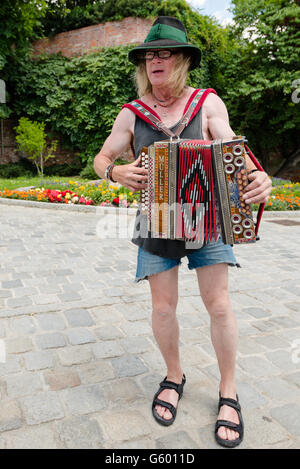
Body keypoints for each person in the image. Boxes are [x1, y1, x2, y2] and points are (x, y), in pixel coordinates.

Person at [93, 16, 272, 448]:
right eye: (149, 54)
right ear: (143, 66)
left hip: (208, 218)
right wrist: (116, 174)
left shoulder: (208, 104)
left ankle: (227, 391)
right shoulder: (131, 114)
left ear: (182, 61)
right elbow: (102, 159)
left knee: (220, 306)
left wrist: (260, 177)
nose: (155, 59)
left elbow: (235, 149)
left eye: (165, 52)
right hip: (157, 220)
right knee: (163, 310)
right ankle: (174, 376)